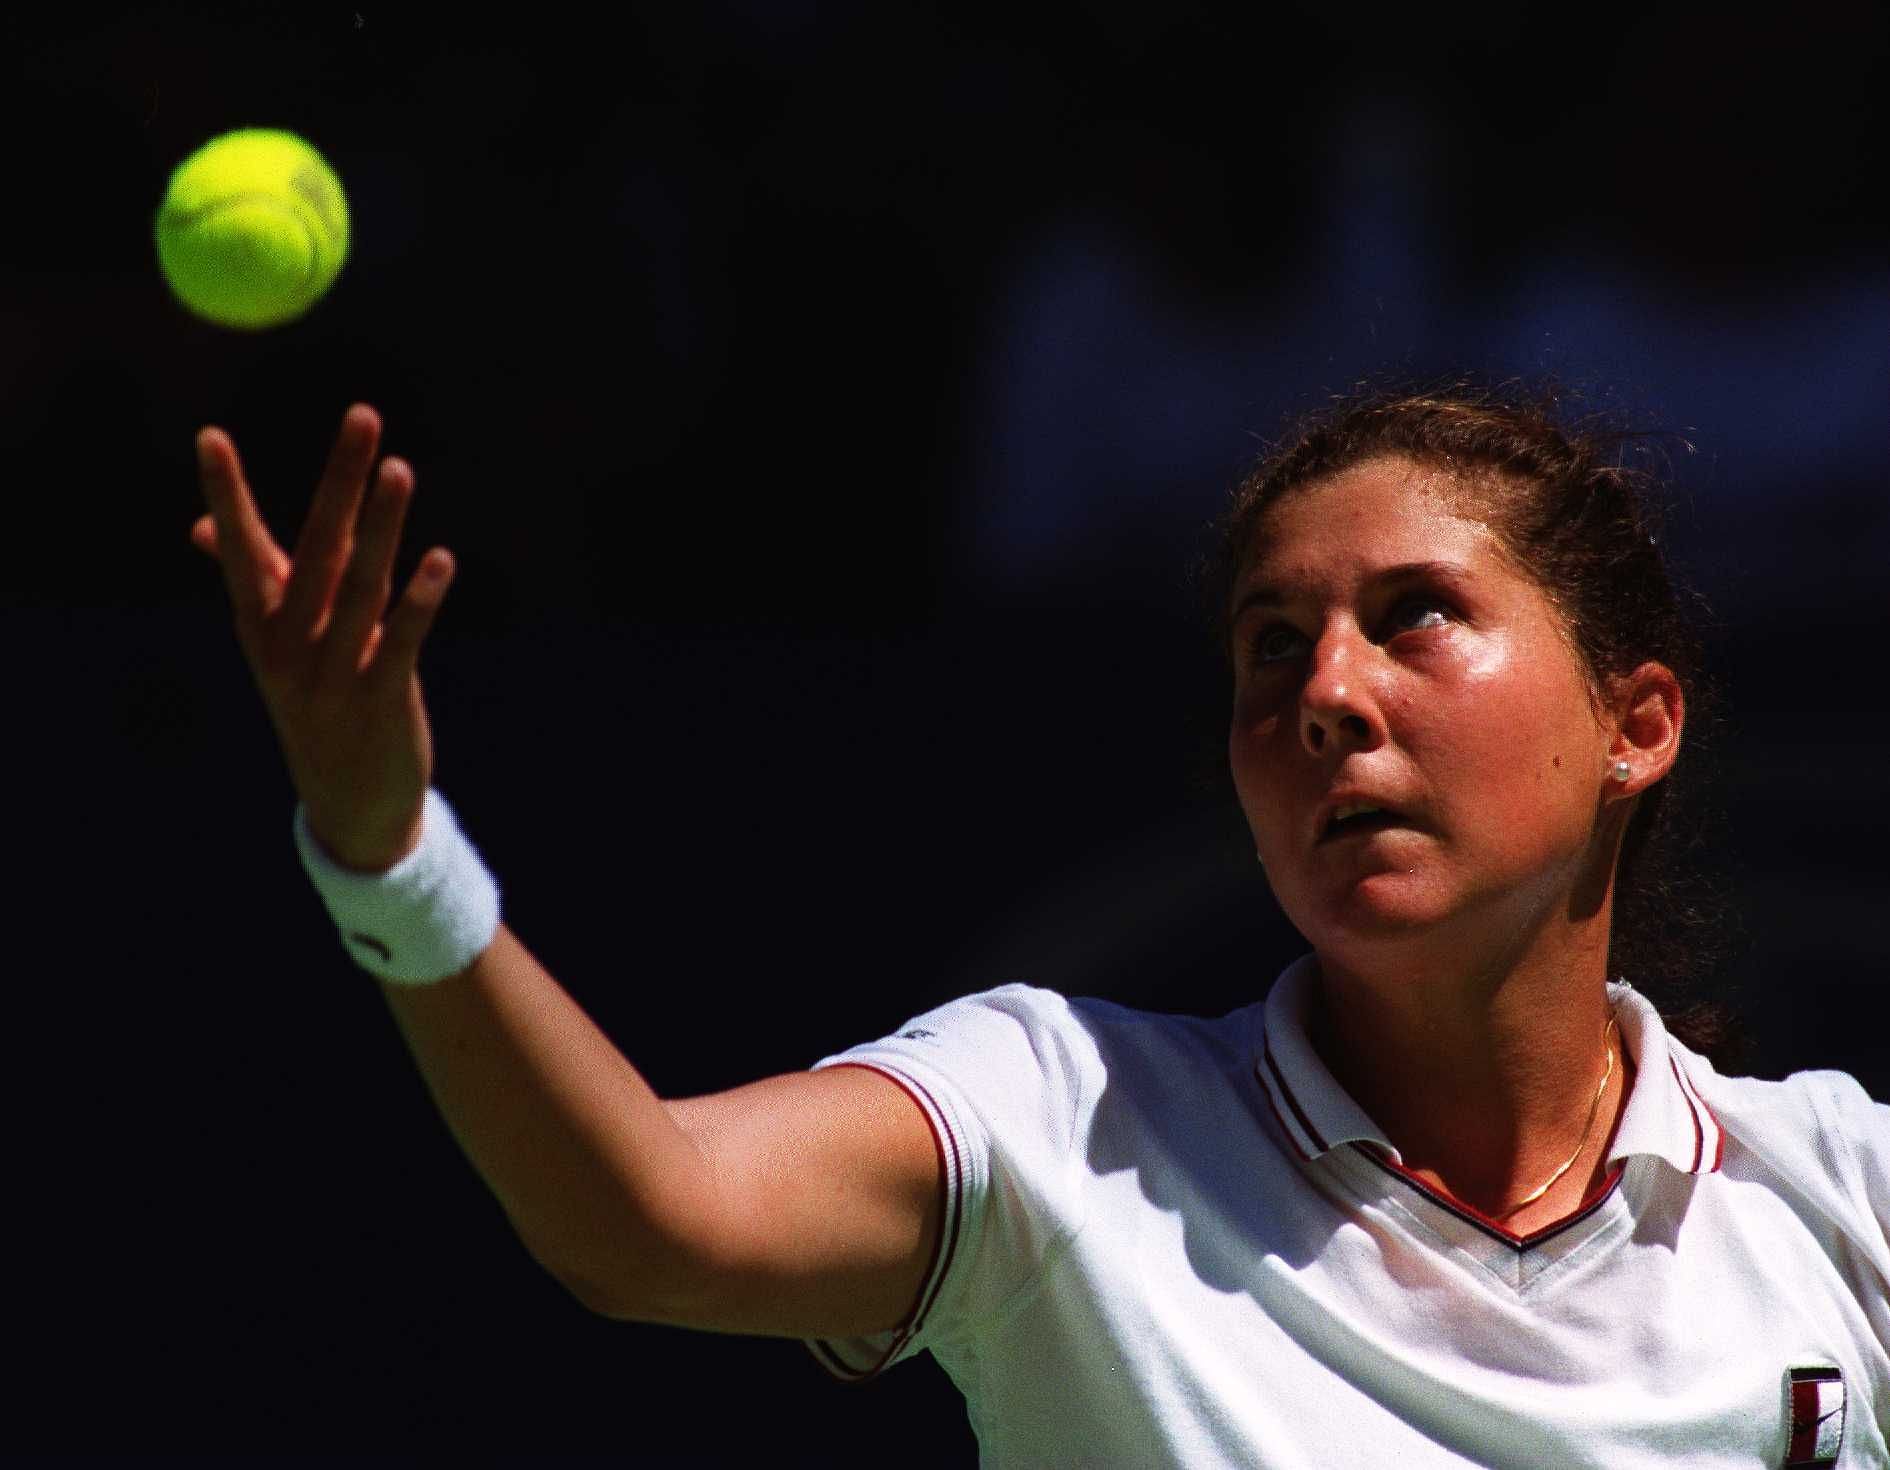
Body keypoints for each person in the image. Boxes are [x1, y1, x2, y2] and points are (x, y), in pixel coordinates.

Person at [190, 381, 1888, 1466]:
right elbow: (645, 1214)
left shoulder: (1841, 1194)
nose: (1326, 693)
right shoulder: (1057, 1119)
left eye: (1414, 617)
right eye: (1270, 645)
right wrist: (392, 854)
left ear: (1632, 723)